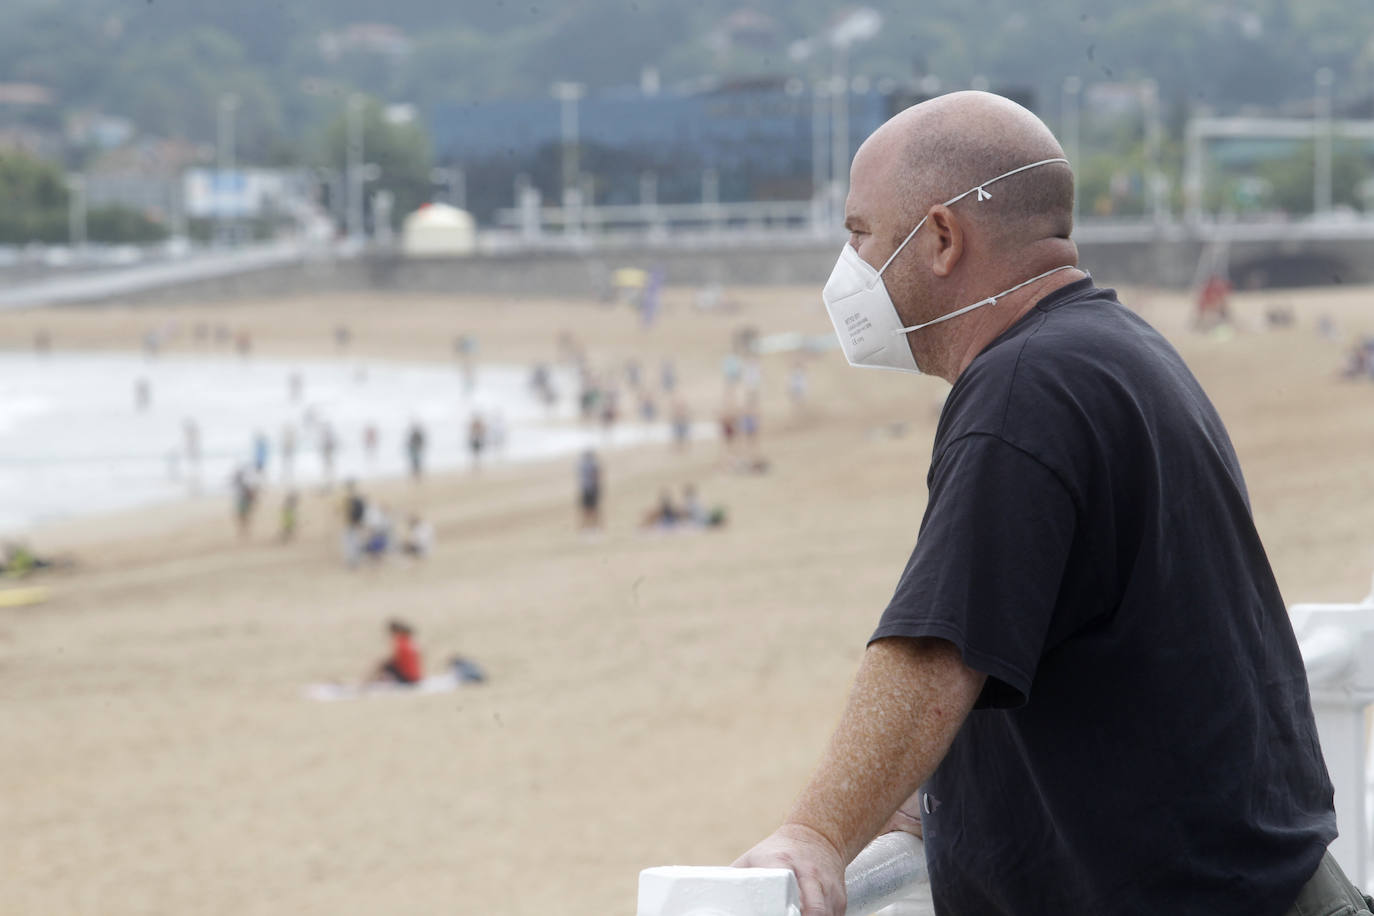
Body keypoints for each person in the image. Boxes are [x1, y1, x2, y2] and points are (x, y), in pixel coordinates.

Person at [732, 91, 1349, 916]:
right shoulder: (1114, 353)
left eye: (860, 234)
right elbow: (1052, 637)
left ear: (942, 238)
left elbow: (934, 651)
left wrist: (816, 835)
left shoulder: (1025, 390)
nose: (848, 268)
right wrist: (926, 807)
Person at [368, 619, 422, 685]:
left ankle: (369, 682)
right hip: (415, 676)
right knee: (387, 666)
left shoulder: (402, 643)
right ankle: (374, 681)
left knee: (384, 665)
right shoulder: (410, 643)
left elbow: (396, 660)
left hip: (408, 678)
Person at [577, 449, 602, 529]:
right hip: (590, 488)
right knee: (590, 508)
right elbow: (597, 476)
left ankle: (591, 526)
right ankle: (591, 526)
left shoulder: (584, 465)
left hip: (588, 488)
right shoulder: (591, 465)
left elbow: (596, 476)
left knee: (590, 508)